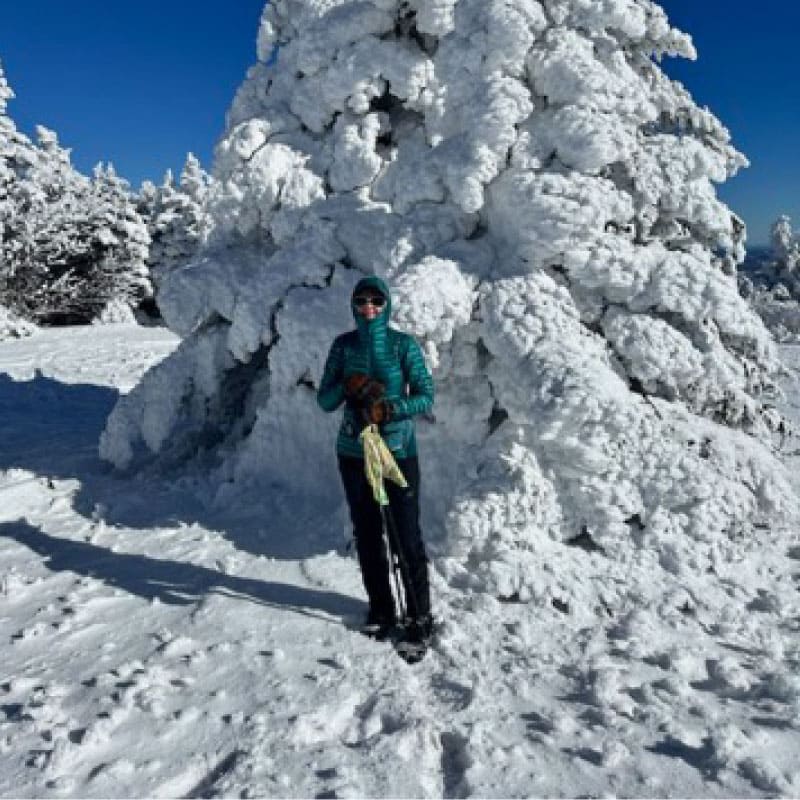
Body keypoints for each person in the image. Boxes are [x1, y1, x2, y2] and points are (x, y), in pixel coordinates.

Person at [317, 275, 435, 645]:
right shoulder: (343, 346)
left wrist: (391, 408)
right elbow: (325, 401)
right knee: (368, 534)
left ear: (387, 304)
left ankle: (418, 614)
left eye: (376, 301)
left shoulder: (403, 346)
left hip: (398, 453)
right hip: (353, 452)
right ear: (353, 305)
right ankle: (381, 609)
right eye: (362, 300)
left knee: (405, 534)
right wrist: (346, 384)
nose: (369, 307)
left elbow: (426, 395)